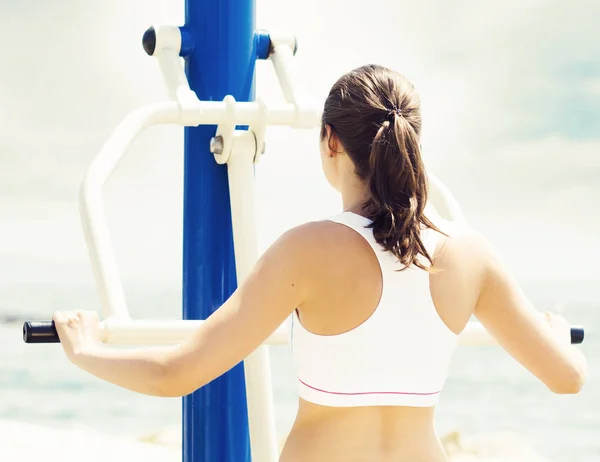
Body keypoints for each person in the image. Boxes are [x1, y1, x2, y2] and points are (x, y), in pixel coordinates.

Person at [53, 64, 588, 462]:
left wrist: (88, 351)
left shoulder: (307, 250)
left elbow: (178, 373)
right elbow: (567, 380)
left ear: (330, 141)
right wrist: (556, 334)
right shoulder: (471, 253)